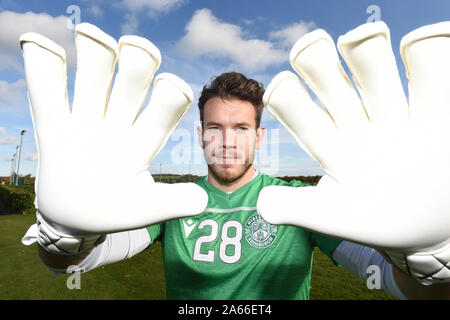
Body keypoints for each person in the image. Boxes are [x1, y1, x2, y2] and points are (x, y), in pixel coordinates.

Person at [25, 72, 449, 300]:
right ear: (200, 134)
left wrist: (427, 261)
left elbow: (405, 288)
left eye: (242, 127)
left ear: (260, 136)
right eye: (216, 127)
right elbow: (74, 265)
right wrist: (65, 239)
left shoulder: (300, 204)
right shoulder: (171, 203)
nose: (228, 140)